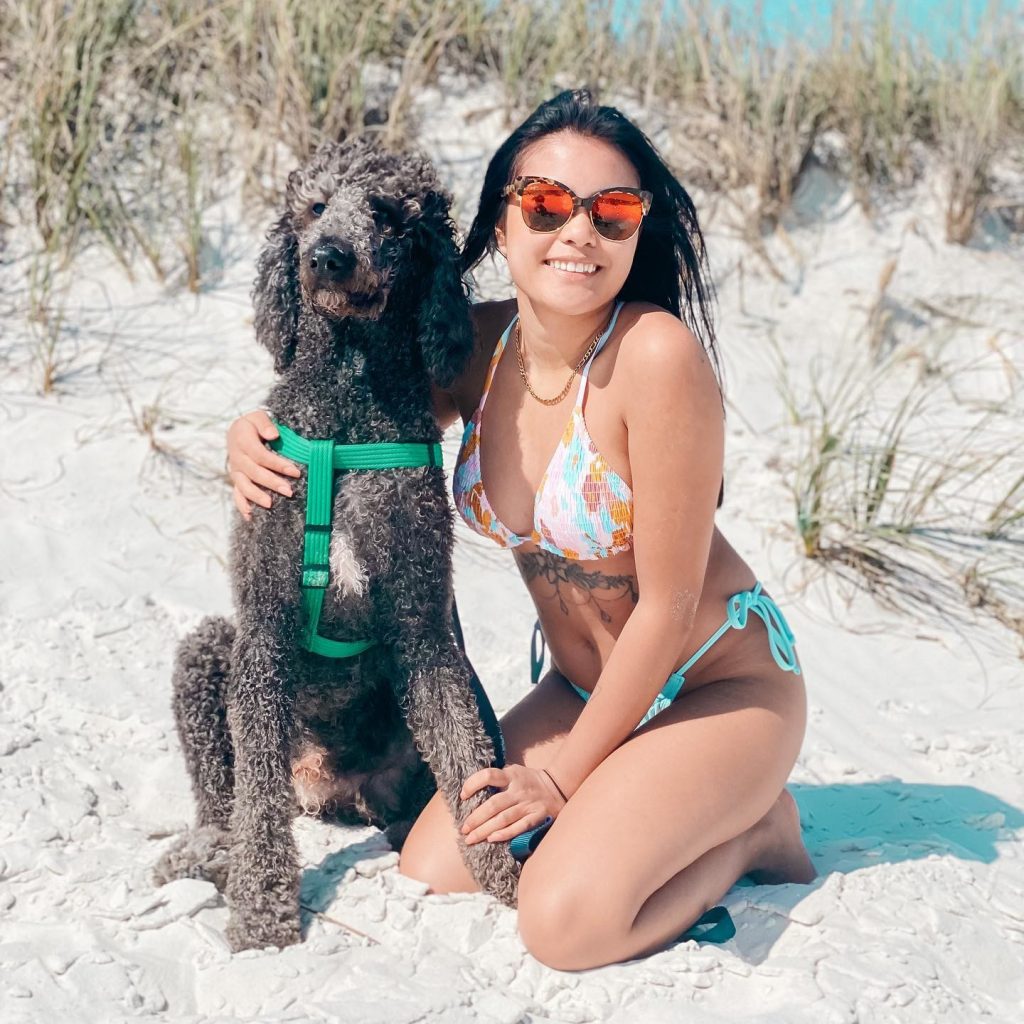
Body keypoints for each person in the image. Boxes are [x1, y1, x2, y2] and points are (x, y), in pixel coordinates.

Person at [226, 89, 816, 971]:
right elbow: (351, 425)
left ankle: (757, 828)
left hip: (718, 685)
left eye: (613, 212)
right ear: (501, 225)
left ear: (636, 233)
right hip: (582, 686)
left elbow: (667, 606)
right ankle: (644, 793)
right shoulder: (476, 349)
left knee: (564, 926)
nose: (578, 232)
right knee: (433, 861)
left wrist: (561, 779)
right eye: (545, 203)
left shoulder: (656, 356)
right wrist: (249, 436)